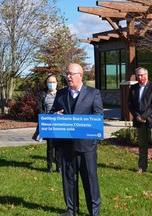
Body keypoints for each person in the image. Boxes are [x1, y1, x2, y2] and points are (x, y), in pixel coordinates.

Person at [51, 63, 103, 216]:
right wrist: (56, 115)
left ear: (80, 75)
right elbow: (54, 112)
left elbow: (98, 115)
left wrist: (80, 122)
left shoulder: (93, 93)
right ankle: (71, 209)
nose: (68, 77)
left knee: (90, 180)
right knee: (68, 179)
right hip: (66, 145)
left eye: (71, 74)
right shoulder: (60, 94)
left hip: (86, 146)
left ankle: (94, 211)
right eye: (66, 74)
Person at [128, 67, 152, 177]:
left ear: (147, 75)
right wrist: (137, 116)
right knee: (142, 145)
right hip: (139, 121)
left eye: (142, 75)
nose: (140, 77)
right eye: (138, 75)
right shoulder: (133, 88)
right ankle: (142, 167)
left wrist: (144, 116)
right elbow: (130, 104)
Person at [35, 74, 61, 173]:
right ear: (46, 83)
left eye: (53, 82)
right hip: (47, 123)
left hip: (59, 123)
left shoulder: (61, 94)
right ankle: (49, 166)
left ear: (57, 83)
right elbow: (39, 107)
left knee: (58, 146)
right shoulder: (42, 94)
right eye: (49, 82)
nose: (52, 84)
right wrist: (45, 118)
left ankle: (59, 166)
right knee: (50, 146)